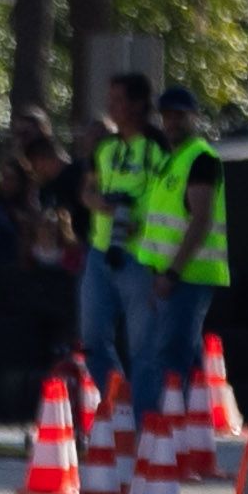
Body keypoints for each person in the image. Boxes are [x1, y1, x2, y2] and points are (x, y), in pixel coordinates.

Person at [129, 83, 228, 418]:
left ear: (194, 117)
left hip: (187, 273)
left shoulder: (199, 159)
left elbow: (200, 219)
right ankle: (188, 423)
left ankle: (170, 425)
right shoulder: (171, 161)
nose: (172, 122)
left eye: (179, 116)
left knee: (172, 355)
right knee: (180, 354)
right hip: (167, 274)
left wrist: (172, 272)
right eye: (167, 116)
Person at [78, 70, 155, 402]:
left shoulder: (156, 147)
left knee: (142, 343)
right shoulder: (105, 148)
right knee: (92, 339)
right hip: (100, 252)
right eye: (110, 100)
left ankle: (146, 411)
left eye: (119, 100)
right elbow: (87, 190)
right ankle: (119, 403)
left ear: (137, 104)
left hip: (139, 254)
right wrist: (96, 201)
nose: (111, 106)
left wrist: (140, 219)